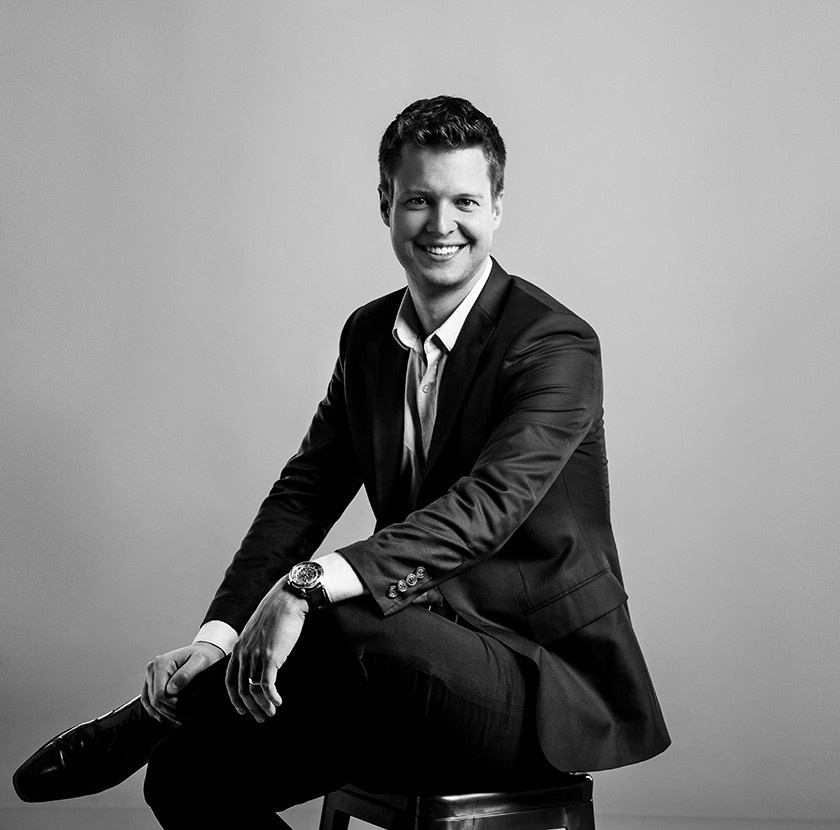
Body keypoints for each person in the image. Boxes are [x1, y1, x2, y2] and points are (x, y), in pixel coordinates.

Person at [14, 96, 670, 828]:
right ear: (386, 204)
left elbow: (487, 508)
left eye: (464, 202)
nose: (442, 224)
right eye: (418, 200)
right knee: (185, 778)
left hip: (534, 684)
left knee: (341, 619)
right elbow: (303, 495)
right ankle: (178, 713)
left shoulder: (553, 343)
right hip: (395, 665)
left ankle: (154, 716)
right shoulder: (367, 337)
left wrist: (303, 588)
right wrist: (217, 637)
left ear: (497, 207)